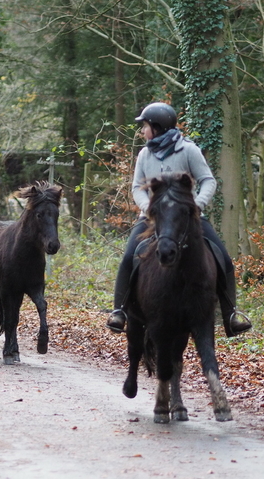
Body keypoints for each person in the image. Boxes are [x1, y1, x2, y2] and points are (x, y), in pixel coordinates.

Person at [106, 102, 252, 337]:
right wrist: (148, 208)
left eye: (145, 126)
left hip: (187, 218)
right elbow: (136, 187)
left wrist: (196, 205)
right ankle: (120, 311)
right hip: (151, 218)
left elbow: (208, 180)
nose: (142, 131)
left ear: (157, 126)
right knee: (128, 257)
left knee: (223, 259)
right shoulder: (145, 153)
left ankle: (231, 314)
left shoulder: (188, 150)